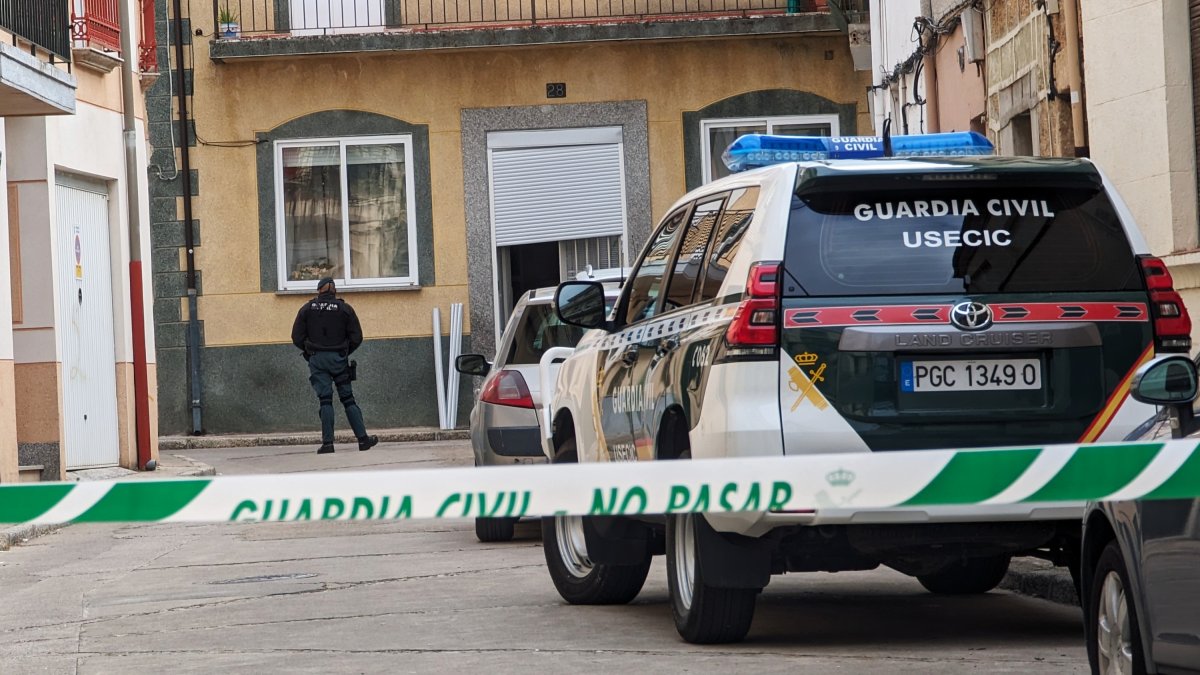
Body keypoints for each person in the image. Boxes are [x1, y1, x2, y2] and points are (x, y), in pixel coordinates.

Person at [292, 277, 379, 454]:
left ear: (318, 291)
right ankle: (363, 440)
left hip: (317, 359)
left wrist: (310, 353)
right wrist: (344, 352)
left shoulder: (307, 309)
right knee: (348, 399)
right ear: (335, 291)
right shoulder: (345, 309)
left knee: (325, 400)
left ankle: (328, 444)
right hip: (339, 359)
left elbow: (296, 336)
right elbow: (357, 337)